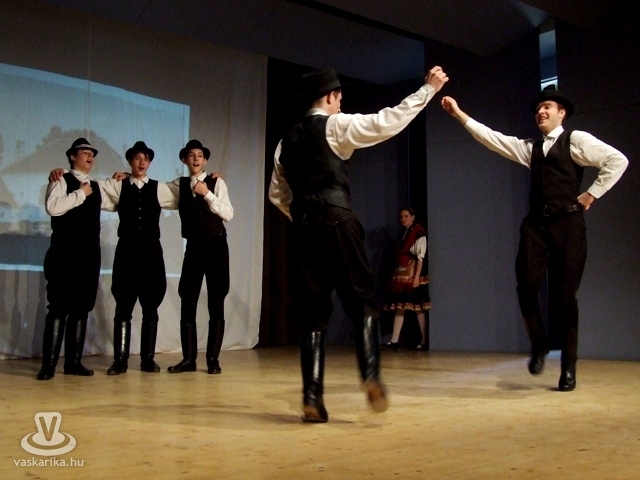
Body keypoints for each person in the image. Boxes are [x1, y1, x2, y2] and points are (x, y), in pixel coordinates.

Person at [269, 65, 449, 422]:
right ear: (331, 97)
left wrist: (304, 215)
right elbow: (387, 122)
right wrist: (427, 90)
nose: (341, 105)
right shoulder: (335, 125)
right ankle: (370, 376)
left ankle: (312, 397)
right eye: (339, 99)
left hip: (303, 228)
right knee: (362, 302)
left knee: (313, 315)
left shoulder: (284, 141)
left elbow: (277, 195)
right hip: (337, 219)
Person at [441, 86, 628, 391]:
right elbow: (493, 139)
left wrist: (592, 193)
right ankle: (539, 343)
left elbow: (617, 160)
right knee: (526, 286)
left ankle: (568, 367)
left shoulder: (575, 140)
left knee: (565, 298)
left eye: (547, 107)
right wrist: (459, 115)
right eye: (539, 108)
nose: (541, 112)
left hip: (568, 225)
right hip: (536, 226)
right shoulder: (531, 148)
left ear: (561, 113)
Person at [37, 138, 117, 380]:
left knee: (82, 309)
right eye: (84, 152)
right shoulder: (61, 179)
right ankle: (48, 366)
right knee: (58, 308)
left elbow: (115, 202)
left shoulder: (96, 185)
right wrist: (80, 194)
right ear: (72, 156)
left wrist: (122, 177)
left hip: (89, 256)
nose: (90, 156)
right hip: (64, 254)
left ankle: (73, 363)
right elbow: (53, 207)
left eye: (92, 153)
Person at [166, 139, 234, 375]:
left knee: (216, 300)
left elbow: (228, 213)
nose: (195, 159)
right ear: (185, 160)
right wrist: (126, 177)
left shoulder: (216, 182)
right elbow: (153, 190)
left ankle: (213, 359)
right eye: (191, 155)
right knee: (187, 299)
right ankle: (189, 359)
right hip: (194, 247)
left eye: (199, 155)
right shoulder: (179, 184)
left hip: (216, 246)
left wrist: (207, 194)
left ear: (205, 160)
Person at [382, 206, 431, 351]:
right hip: (402, 273)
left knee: (418, 308)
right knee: (400, 307)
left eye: (406, 216)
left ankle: (424, 340)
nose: (403, 219)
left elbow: (420, 257)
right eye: (401, 217)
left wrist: (416, 277)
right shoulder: (404, 232)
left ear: (412, 217)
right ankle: (394, 339)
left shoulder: (418, 232)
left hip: (412, 273)